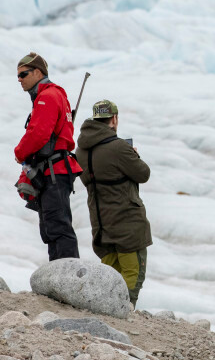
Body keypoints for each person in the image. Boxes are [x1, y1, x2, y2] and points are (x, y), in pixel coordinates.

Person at [76, 99, 151, 307]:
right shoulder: (119, 147)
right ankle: (124, 315)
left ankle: (108, 314)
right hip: (127, 225)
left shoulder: (81, 150)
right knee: (132, 276)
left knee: (110, 277)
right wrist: (134, 155)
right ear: (114, 119)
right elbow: (143, 173)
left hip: (101, 226)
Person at [14, 52, 82, 261]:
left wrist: (19, 152)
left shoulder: (47, 97)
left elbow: (39, 133)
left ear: (37, 72)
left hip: (53, 172)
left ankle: (67, 280)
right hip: (56, 170)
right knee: (54, 226)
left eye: (23, 74)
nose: (20, 79)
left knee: (57, 226)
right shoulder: (54, 95)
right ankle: (60, 278)